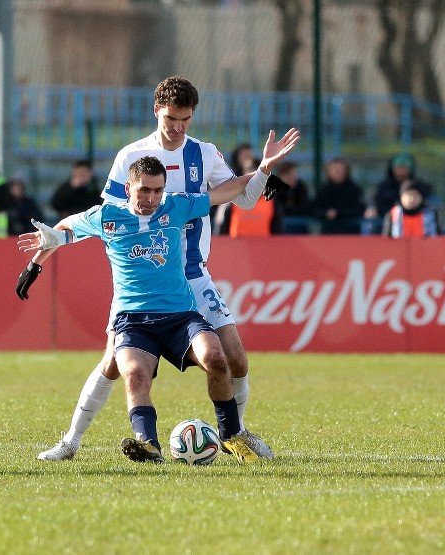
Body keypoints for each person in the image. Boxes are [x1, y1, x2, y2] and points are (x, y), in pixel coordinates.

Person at [17, 76, 299, 462]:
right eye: (171, 118)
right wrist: (45, 254)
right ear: (156, 112)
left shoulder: (205, 154)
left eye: (186, 119)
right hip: (140, 285)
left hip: (192, 274)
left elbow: (242, 199)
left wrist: (263, 172)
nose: (178, 127)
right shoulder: (131, 157)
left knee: (233, 357)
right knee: (114, 364)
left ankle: (234, 435)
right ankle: (71, 441)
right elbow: (106, 220)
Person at [19, 156, 266, 463]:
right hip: (133, 320)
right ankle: (148, 446)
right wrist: (35, 265)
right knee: (133, 374)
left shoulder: (176, 206)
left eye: (157, 191)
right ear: (128, 188)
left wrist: (265, 169)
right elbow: (63, 231)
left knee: (216, 358)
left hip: (181, 316)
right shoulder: (106, 216)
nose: (151, 198)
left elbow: (225, 191)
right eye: (144, 190)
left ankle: (231, 436)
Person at [367, 153, 434, 224]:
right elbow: (377, 203)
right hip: (386, 218)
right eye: (399, 167)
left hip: (413, 219)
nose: (401, 171)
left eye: (404, 168)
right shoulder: (384, 187)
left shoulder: (418, 186)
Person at [312, 157, 365, 234]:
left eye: (341, 170)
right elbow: (314, 208)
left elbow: (359, 208)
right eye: (335, 170)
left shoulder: (354, 189)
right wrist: (325, 213)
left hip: (350, 232)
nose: (338, 172)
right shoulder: (323, 189)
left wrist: (339, 213)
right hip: (328, 232)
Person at [275, 161, 312, 233]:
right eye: (290, 175)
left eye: (294, 174)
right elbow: (277, 208)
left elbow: (305, 206)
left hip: (300, 226)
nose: (293, 177)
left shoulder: (301, 187)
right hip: (281, 226)